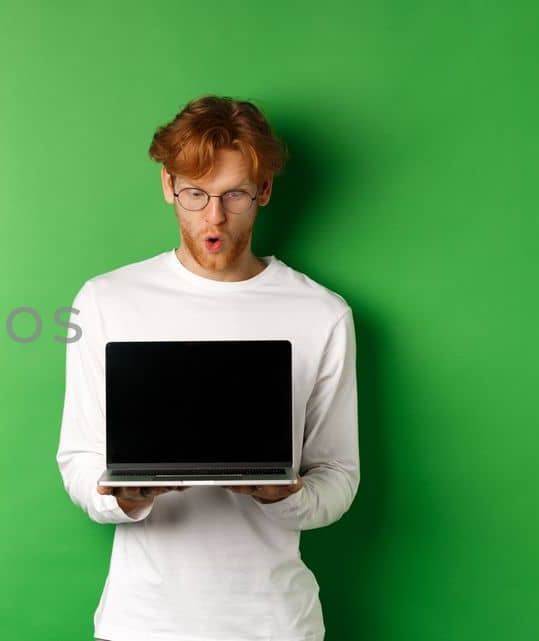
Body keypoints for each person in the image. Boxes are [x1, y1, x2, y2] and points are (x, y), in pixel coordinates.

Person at [56, 95, 360, 641]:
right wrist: (127, 498)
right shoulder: (106, 300)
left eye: (234, 195)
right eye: (196, 193)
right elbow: (79, 461)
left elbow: (339, 476)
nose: (212, 216)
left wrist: (284, 496)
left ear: (263, 191)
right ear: (169, 185)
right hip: (142, 624)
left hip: (275, 624)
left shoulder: (320, 313)